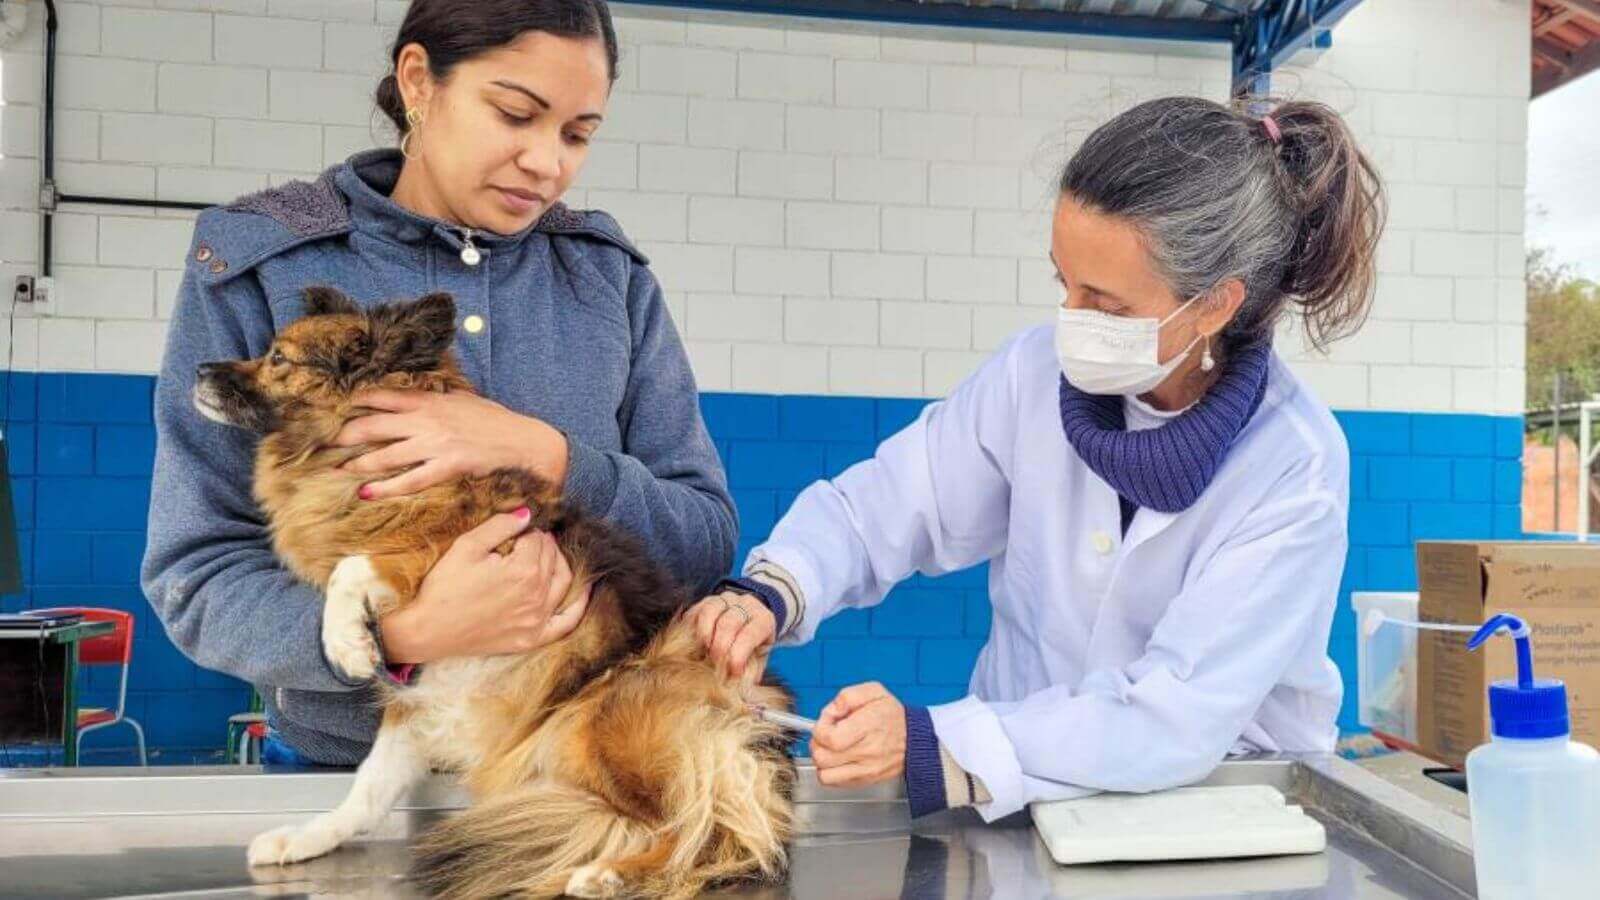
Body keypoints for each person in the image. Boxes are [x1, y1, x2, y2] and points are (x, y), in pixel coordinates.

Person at [694, 97, 1385, 821]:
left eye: (1108, 305)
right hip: (1027, 806)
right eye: (1065, 284)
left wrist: (937, 740)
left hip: (1213, 813)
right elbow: (892, 505)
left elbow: (1170, 717)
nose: (1074, 321)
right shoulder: (1030, 377)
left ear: (1214, 305)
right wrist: (774, 591)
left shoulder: (1292, 467)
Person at [141, 0, 735, 765]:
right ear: (418, 81)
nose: (548, 163)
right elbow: (197, 572)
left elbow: (704, 540)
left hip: (570, 775)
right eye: (515, 114)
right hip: (349, 773)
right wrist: (398, 635)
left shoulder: (608, 281)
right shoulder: (263, 264)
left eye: (578, 134)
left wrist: (544, 452)